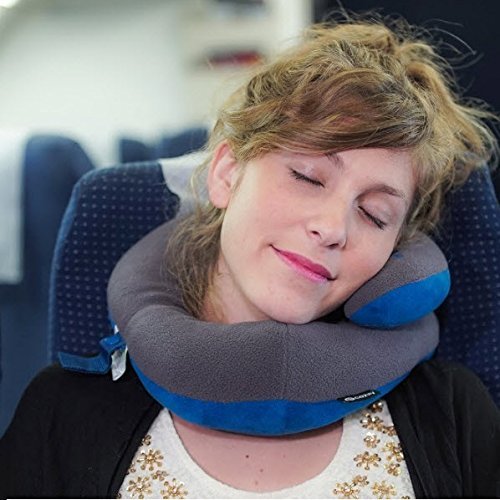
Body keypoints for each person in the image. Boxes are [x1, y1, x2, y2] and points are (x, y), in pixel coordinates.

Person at [1, 14, 499, 499]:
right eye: (307, 177)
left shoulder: (453, 412)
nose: (332, 228)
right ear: (226, 173)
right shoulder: (62, 412)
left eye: (373, 214)